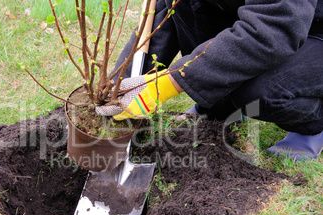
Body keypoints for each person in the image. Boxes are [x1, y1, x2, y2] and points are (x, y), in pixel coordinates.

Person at [96, 0, 323, 161]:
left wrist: (172, 82)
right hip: (255, 16)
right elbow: (166, 14)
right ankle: (218, 107)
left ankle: (313, 125)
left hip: (311, 28)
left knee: (259, 93)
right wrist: (123, 86)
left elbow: (276, 25)